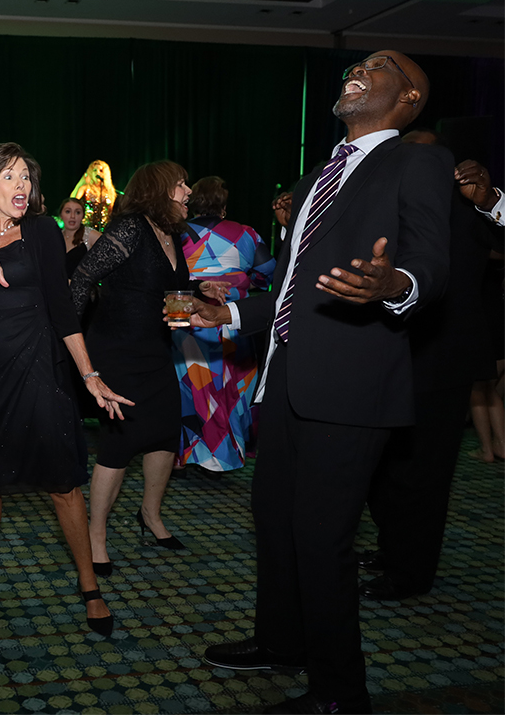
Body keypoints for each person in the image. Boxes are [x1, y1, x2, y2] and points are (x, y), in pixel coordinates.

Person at [195, 51, 452, 714]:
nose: (359, 69)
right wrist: (228, 314)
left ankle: (341, 693)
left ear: (410, 98)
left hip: (353, 385)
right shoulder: (320, 174)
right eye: (358, 62)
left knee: (321, 536)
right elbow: (290, 284)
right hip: (286, 378)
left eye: (381, 65)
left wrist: (394, 283)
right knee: (274, 519)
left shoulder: (417, 162)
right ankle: (283, 641)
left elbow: (430, 262)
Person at [0, 142, 132, 636]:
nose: (22, 185)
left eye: (26, 176)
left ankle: (89, 584)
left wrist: (89, 375)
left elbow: (62, 308)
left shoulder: (42, 231)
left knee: (62, 482)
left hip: (38, 368)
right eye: (11, 176)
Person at [359, 143, 502, 603]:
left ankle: (410, 572)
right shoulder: (383, 198)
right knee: (380, 465)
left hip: (444, 357)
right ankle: (391, 548)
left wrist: (491, 200)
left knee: (424, 472)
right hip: (384, 352)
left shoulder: (468, 204)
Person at [71, 162, 227, 569]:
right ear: (159, 189)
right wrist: (69, 337)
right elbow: (83, 277)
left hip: (156, 351)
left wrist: (198, 288)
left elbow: (162, 286)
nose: (188, 191)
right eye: (181, 184)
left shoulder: (171, 233)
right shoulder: (130, 228)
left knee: (164, 434)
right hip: (117, 353)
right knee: (119, 442)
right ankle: (96, 533)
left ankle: (151, 515)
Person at [172, 176, 275, 472]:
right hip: (232, 319)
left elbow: (170, 276)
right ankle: (228, 450)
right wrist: (240, 281)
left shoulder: (178, 233)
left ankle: (185, 454)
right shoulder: (246, 234)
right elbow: (269, 273)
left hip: (189, 319)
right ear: (224, 206)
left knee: (189, 387)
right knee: (232, 387)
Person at [454, 159, 505, 463]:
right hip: (492, 325)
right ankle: (496, 445)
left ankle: (489, 447)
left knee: (479, 389)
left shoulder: (481, 247)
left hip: (488, 327)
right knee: (488, 390)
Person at [59, 196, 101, 279]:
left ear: (83, 216)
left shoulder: (90, 235)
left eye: (77, 212)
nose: (72, 216)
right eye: (68, 211)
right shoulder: (56, 236)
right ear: (61, 215)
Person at [70, 160, 117, 230]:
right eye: (94, 170)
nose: (97, 173)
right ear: (91, 173)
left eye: (101, 171)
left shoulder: (109, 191)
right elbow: (73, 200)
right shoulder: (85, 188)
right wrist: (82, 181)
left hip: (105, 228)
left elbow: (111, 210)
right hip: (87, 226)